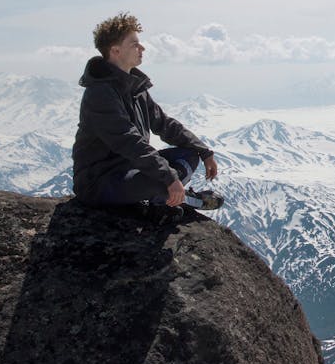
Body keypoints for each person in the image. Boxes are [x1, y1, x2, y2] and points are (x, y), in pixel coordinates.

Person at [72, 12, 224, 223]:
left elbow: (164, 124)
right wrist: (170, 178)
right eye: (135, 44)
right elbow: (129, 142)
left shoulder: (134, 88)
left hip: (130, 169)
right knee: (159, 182)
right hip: (99, 182)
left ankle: (163, 197)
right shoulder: (100, 94)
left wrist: (203, 151)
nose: (142, 49)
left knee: (189, 155)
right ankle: (182, 200)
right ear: (116, 51)